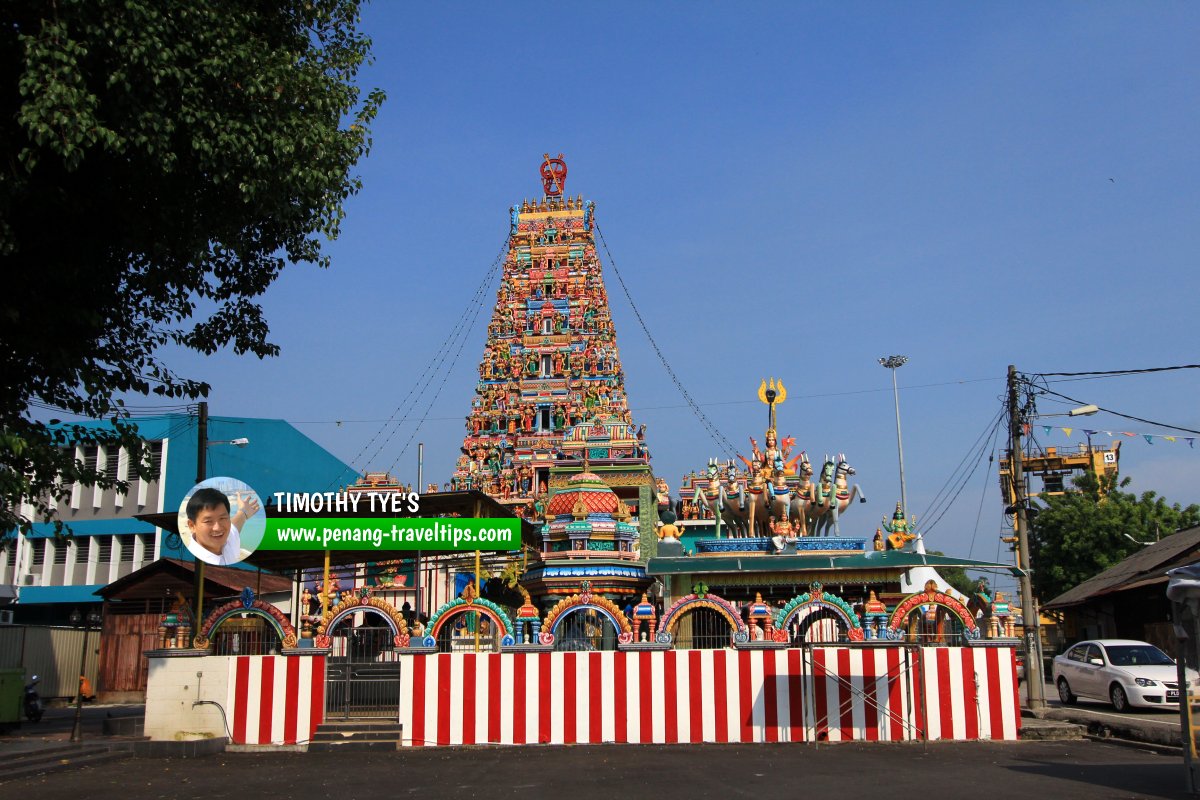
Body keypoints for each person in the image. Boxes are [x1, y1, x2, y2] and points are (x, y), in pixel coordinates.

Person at [184, 487, 259, 565]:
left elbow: (235, 526)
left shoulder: (229, 540)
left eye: (222, 518)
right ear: (192, 526)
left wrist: (244, 512)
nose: (218, 528)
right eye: (208, 521)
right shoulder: (194, 562)